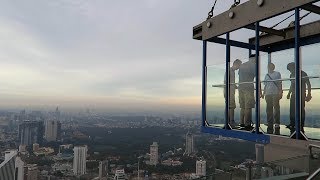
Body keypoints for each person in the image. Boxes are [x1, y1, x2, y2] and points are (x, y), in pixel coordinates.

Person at [286, 62, 312, 134]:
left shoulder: (303, 73)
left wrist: (309, 94)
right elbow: (292, 85)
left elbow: (308, 84)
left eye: (290, 69)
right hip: (294, 94)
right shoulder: (292, 74)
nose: (290, 71)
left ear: (293, 67)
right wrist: (289, 93)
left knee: (301, 110)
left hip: (301, 94)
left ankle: (301, 125)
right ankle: (292, 124)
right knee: (292, 109)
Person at [262, 63, 282, 135]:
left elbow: (280, 83)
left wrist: (280, 91)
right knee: (269, 109)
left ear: (273, 67)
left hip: (275, 93)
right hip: (268, 93)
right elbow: (265, 85)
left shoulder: (277, 74)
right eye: (269, 67)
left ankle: (277, 123)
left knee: (276, 108)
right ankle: (270, 122)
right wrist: (263, 93)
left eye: (270, 66)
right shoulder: (266, 75)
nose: (269, 68)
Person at [238, 55, 257, 130]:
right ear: (254, 59)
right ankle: (247, 124)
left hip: (241, 87)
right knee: (248, 107)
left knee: (242, 106)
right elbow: (257, 76)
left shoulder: (242, 65)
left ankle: (242, 123)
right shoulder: (253, 65)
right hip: (248, 87)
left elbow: (239, 75)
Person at [224, 59, 242, 127]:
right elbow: (226, 81)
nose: (239, 67)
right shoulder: (229, 71)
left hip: (230, 91)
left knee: (231, 106)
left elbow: (231, 82)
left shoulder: (232, 71)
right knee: (231, 106)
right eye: (239, 65)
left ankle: (229, 121)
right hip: (229, 92)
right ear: (236, 64)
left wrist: (235, 86)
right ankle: (230, 122)